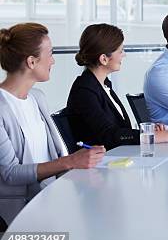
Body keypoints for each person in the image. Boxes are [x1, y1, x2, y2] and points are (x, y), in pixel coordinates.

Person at [0, 23, 105, 223]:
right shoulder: (2, 109)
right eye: (50, 53)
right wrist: (71, 161)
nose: (53, 61)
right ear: (31, 62)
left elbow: (56, 155)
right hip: (19, 215)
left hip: (52, 200)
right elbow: (10, 174)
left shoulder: (37, 98)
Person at [66, 24, 168, 150]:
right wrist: (163, 136)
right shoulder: (84, 90)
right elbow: (109, 136)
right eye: (120, 51)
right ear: (104, 59)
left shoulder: (102, 84)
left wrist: (149, 132)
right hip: (102, 164)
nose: (124, 55)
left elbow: (120, 131)